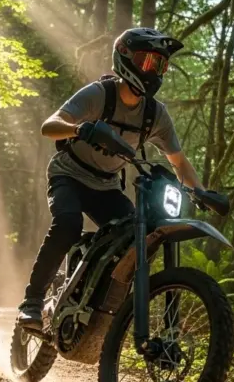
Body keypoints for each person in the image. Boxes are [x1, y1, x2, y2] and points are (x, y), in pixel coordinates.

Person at [17, 27, 203, 330]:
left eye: (160, 65)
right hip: (69, 174)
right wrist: (79, 129)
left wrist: (203, 193)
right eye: (148, 62)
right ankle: (33, 302)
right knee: (67, 224)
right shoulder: (99, 94)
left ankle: (98, 308)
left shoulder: (155, 115)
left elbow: (179, 161)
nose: (154, 71)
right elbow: (49, 126)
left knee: (136, 239)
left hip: (105, 185)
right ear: (125, 57)